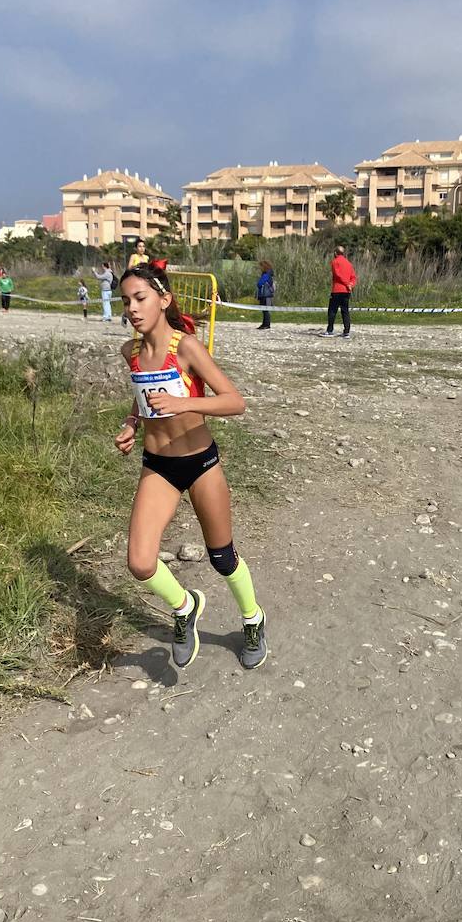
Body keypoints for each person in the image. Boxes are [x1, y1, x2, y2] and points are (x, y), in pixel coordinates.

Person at [114, 259, 268, 670]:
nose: (132, 308)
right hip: (157, 467)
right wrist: (132, 422)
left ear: (163, 300)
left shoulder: (185, 348)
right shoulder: (130, 352)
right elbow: (142, 397)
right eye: (125, 301)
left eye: (140, 298)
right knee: (140, 562)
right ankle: (184, 607)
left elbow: (234, 402)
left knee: (222, 558)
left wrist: (184, 403)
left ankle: (252, 619)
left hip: (200, 463)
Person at [324, 245, 357, 338]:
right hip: (346, 291)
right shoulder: (349, 263)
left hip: (337, 290)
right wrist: (351, 285)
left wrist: (346, 284)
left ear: (335, 253)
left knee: (332, 310)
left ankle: (330, 330)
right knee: (345, 311)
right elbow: (353, 277)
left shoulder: (335, 262)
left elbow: (337, 275)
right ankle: (346, 331)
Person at [255, 260, 275, 330]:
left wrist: (259, 283)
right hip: (264, 295)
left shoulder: (266, 275)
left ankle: (266, 324)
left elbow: (260, 283)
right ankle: (264, 323)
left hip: (266, 295)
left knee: (266, 310)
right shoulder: (268, 274)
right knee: (264, 310)